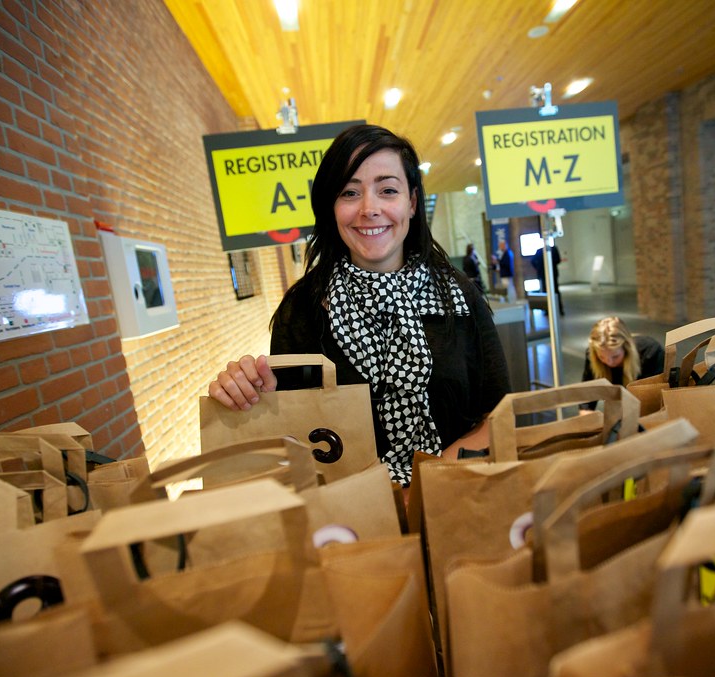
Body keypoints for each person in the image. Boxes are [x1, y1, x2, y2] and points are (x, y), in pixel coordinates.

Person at [208, 124, 511, 486]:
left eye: (387, 190)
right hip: (351, 513)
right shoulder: (304, 309)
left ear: (412, 203)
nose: (369, 208)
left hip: (459, 497)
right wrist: (246, 391)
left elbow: (498, 413)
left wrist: (427, 483)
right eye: (350, 192)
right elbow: (293, 432)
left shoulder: (457, 296)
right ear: (331, 208)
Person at [580, 316, 664, 410]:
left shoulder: (650, 352)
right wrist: (586, 412)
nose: (609, 362)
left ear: (627, 348)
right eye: (601, 357)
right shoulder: (592, 355)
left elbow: (653, 395)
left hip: (646, 408)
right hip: (615, 409)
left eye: (615, 356)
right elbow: (587, 391)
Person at [530, 243, 565, 315]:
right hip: (548, 274)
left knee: (550, 291)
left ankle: (551, 309)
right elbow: (558, 260)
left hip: (548, 274)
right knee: (553, 291)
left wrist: (539, 268)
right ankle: (553, 309)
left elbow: (533, 261)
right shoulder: (547, 250)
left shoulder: (542, 251)